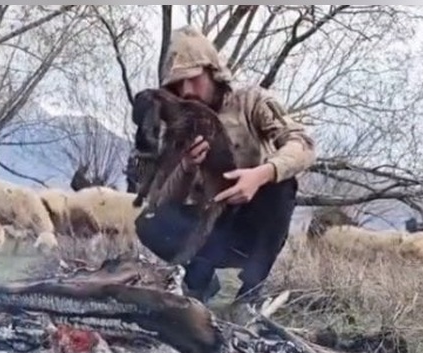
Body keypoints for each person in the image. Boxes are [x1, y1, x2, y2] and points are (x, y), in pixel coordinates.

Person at [132, 26, 317, 308]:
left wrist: (261, 174)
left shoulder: (250, 102)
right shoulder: (174, 125)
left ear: (212, 72)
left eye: (193, 79)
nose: (186, 91)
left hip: (251, 221)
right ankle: (199, 280)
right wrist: (186, 166)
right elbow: (163, 200)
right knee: (149, 224)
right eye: (176, 85)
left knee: (281, 187)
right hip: (205, 224)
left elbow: (302, 143)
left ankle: (248, 293)